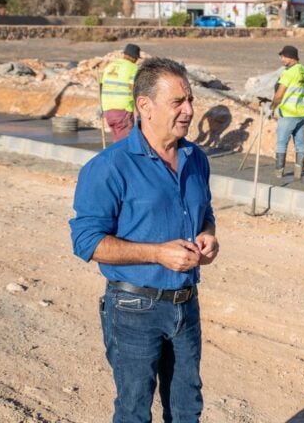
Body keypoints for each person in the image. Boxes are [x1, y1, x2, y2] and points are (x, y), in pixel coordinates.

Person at [70, 57, 219, 422]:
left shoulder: (195, 157)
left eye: (190, 100)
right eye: (178, 102)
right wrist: (157, 254)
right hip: (133, 308)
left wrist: (208, 236)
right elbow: (87, 242)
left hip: (186, 305)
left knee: (187, 408)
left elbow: (206, 213)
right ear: (144, 106)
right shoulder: (109, 166)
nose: (189, 110)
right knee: (134, 410)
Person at [270, 45, 304, 179]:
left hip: (288, 114)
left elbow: (279, 95)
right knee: (300, 143)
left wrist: (271, 108)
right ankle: (298, 174)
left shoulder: (289, 72)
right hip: (302, 113)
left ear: (291, 57)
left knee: (282, 143)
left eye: (284, 56)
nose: (282, 59)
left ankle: (278, 173)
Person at [100, 43, 140, 142]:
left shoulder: (111, 66)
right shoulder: (133, 68)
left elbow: (101, 85)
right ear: (134, 58)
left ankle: (115, 157)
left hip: (108, 110)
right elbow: (133, 88)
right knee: (125, 143)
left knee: (117, 141)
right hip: (123, 109)